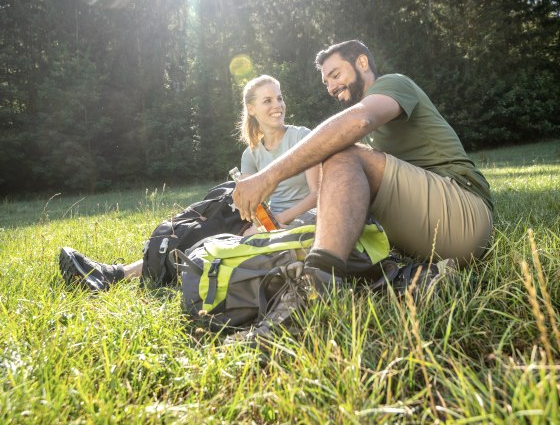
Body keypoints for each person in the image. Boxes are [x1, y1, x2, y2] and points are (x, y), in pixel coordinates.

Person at [232, 40, 493, 283]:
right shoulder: (373, 140)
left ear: (362, 63)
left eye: (335, 75)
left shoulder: (395, 84)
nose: (331, 87)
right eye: (326, 83)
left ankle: (317, 282)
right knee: (345, 191)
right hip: (427, 230)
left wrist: (268, 176)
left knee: (341, 152)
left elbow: (359, 120)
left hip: (464, 212)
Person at [59, 75, 319, 292]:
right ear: (251, 109)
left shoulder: (302, 137)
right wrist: (254, 222)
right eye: (268, 100)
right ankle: (117, 273)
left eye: (279, 98)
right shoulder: (251, 154)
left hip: (302, 218)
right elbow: (250, 202)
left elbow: (317, 195)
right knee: (208, 226)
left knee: (225, 241)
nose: (278, 105)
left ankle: (116, 275)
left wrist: (277, 221)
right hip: (264, 220)